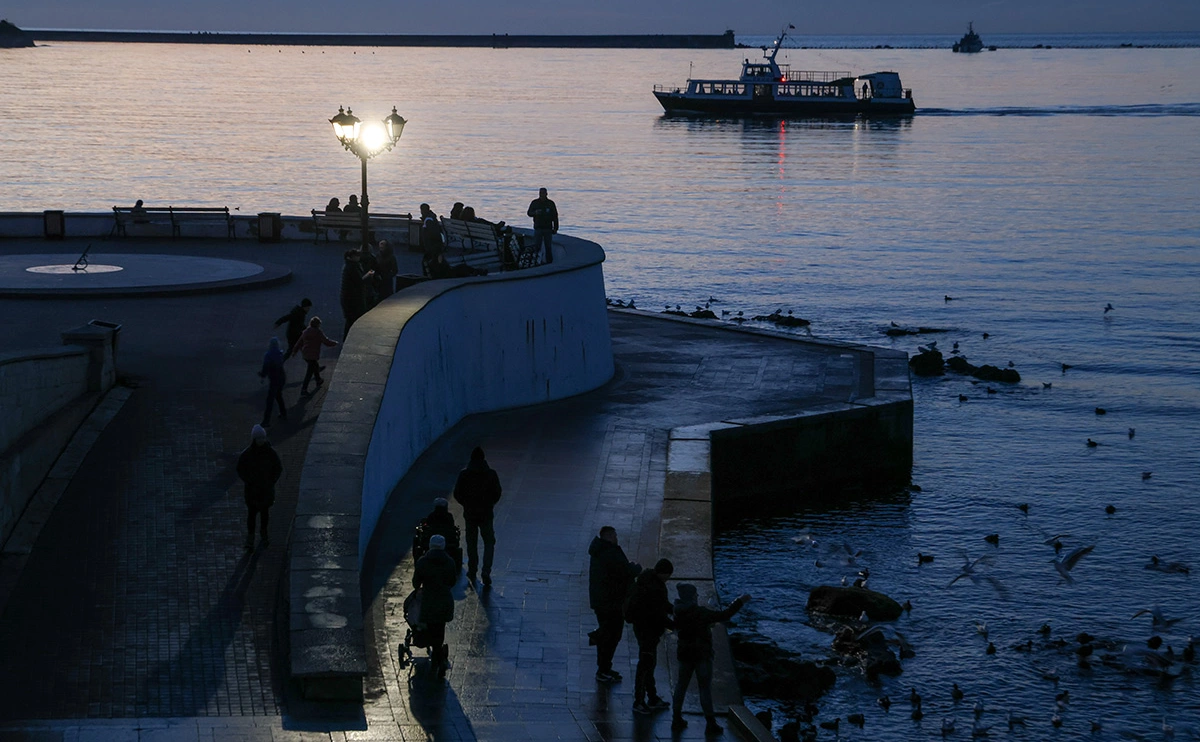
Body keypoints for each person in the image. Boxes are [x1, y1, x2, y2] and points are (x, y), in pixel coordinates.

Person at [670, 584, 751, 734]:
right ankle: (710, 723)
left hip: (684, 652)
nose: (697, 596)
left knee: (681, 686)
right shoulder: (700, 612)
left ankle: (676, 719)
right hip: (702, 653)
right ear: (692, 597)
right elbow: (725, 615)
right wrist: (740, 600)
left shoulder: (677, 611)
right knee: (704, 688)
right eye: (695, 594)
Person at [588, 526, 641, 683]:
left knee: (608, 634)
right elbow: (625, 570)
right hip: (610, 603)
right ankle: (603, 669)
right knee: (612, 636)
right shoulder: (609, 553)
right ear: (610, 536)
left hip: (603, 601)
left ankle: (604, 667)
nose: (617, 538)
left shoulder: (601, 551)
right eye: (615, 535)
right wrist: (636, 567)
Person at [627, 558, 674, 715]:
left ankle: (652, 697)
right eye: (668, 575)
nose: (668, 578)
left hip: (642, 628)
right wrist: (675, 624)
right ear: (664, 573)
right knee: (645, 665)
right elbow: (658, 613)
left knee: (648, 664)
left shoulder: (648, 581)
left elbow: (661, 606)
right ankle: (639, 701)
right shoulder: (655, 588)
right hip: (648, 630)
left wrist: (674, 610)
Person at [452, 446, 502, 586]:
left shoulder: (464, 474)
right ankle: (486, 571)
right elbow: (497, 492)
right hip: (486, 513)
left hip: (470, 514)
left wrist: (466, 504)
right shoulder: (491, 474)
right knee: (489, 542)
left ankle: (472, 569)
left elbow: (457, 493)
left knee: (471, 542)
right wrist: (490, 504)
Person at [413, 534, 458, 677]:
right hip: (444, 601)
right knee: (440, 629)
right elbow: (452, 582)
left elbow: (415, 583)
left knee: (432, 628)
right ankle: (438, 659)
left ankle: (436, 659)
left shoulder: (422, 562)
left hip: (429, 602)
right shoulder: (450, 562)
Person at [236, 424, 282, 550]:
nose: (261, 440)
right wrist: (249, 480)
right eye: (259, 438)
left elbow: (278, 468)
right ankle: (251, 538)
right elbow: (240, 469)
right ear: (254, 439)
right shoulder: (248, 454)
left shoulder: (270, 453)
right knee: (252, 515)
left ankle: (263, 534)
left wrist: (271, 481)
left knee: (263, 514)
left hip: (263, 489)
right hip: (253, 490)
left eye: (262, 438)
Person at [292, 316, 338, 396]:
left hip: (305, 354)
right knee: (309, 372)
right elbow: (326, 341)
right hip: (313, 355)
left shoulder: (306, 331)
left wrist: (294, 351)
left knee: (315, 366)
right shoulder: (318, 332)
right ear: (318, 324)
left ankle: (318, 380)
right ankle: (304, 390)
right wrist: (335, 343)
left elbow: (299, 342)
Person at [340, 249, 374, 338]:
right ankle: (349, 337)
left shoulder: (350, 266)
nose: (359, 257)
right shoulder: (352, 267)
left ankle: (347, 338)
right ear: (353, 257)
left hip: (349, 298)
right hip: (353, 299)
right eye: (357, 256)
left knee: (350, 320)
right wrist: (368, 275)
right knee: (353, 319)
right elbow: (359, 282)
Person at [258, 337, 287, 427]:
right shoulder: (280, 353)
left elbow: (266, 367)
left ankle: (266, 421)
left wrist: (262, 375)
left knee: (270, 400)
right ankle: (283, 413)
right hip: (281, 377)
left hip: (274, 379)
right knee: (278, 396)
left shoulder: (268, 355)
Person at [527, 187, 558, 264]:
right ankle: (535, 262)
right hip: (538, 228)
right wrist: (535, 213)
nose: (542, 195)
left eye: (543, 193)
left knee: (548, 247)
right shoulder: (535, 202)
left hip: (548, 228)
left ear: (546, 194)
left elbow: (555, 216)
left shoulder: (550, 203)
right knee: (537, 247)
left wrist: (555, 228)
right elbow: (529, 213)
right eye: (540, 193)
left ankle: (549, 263)